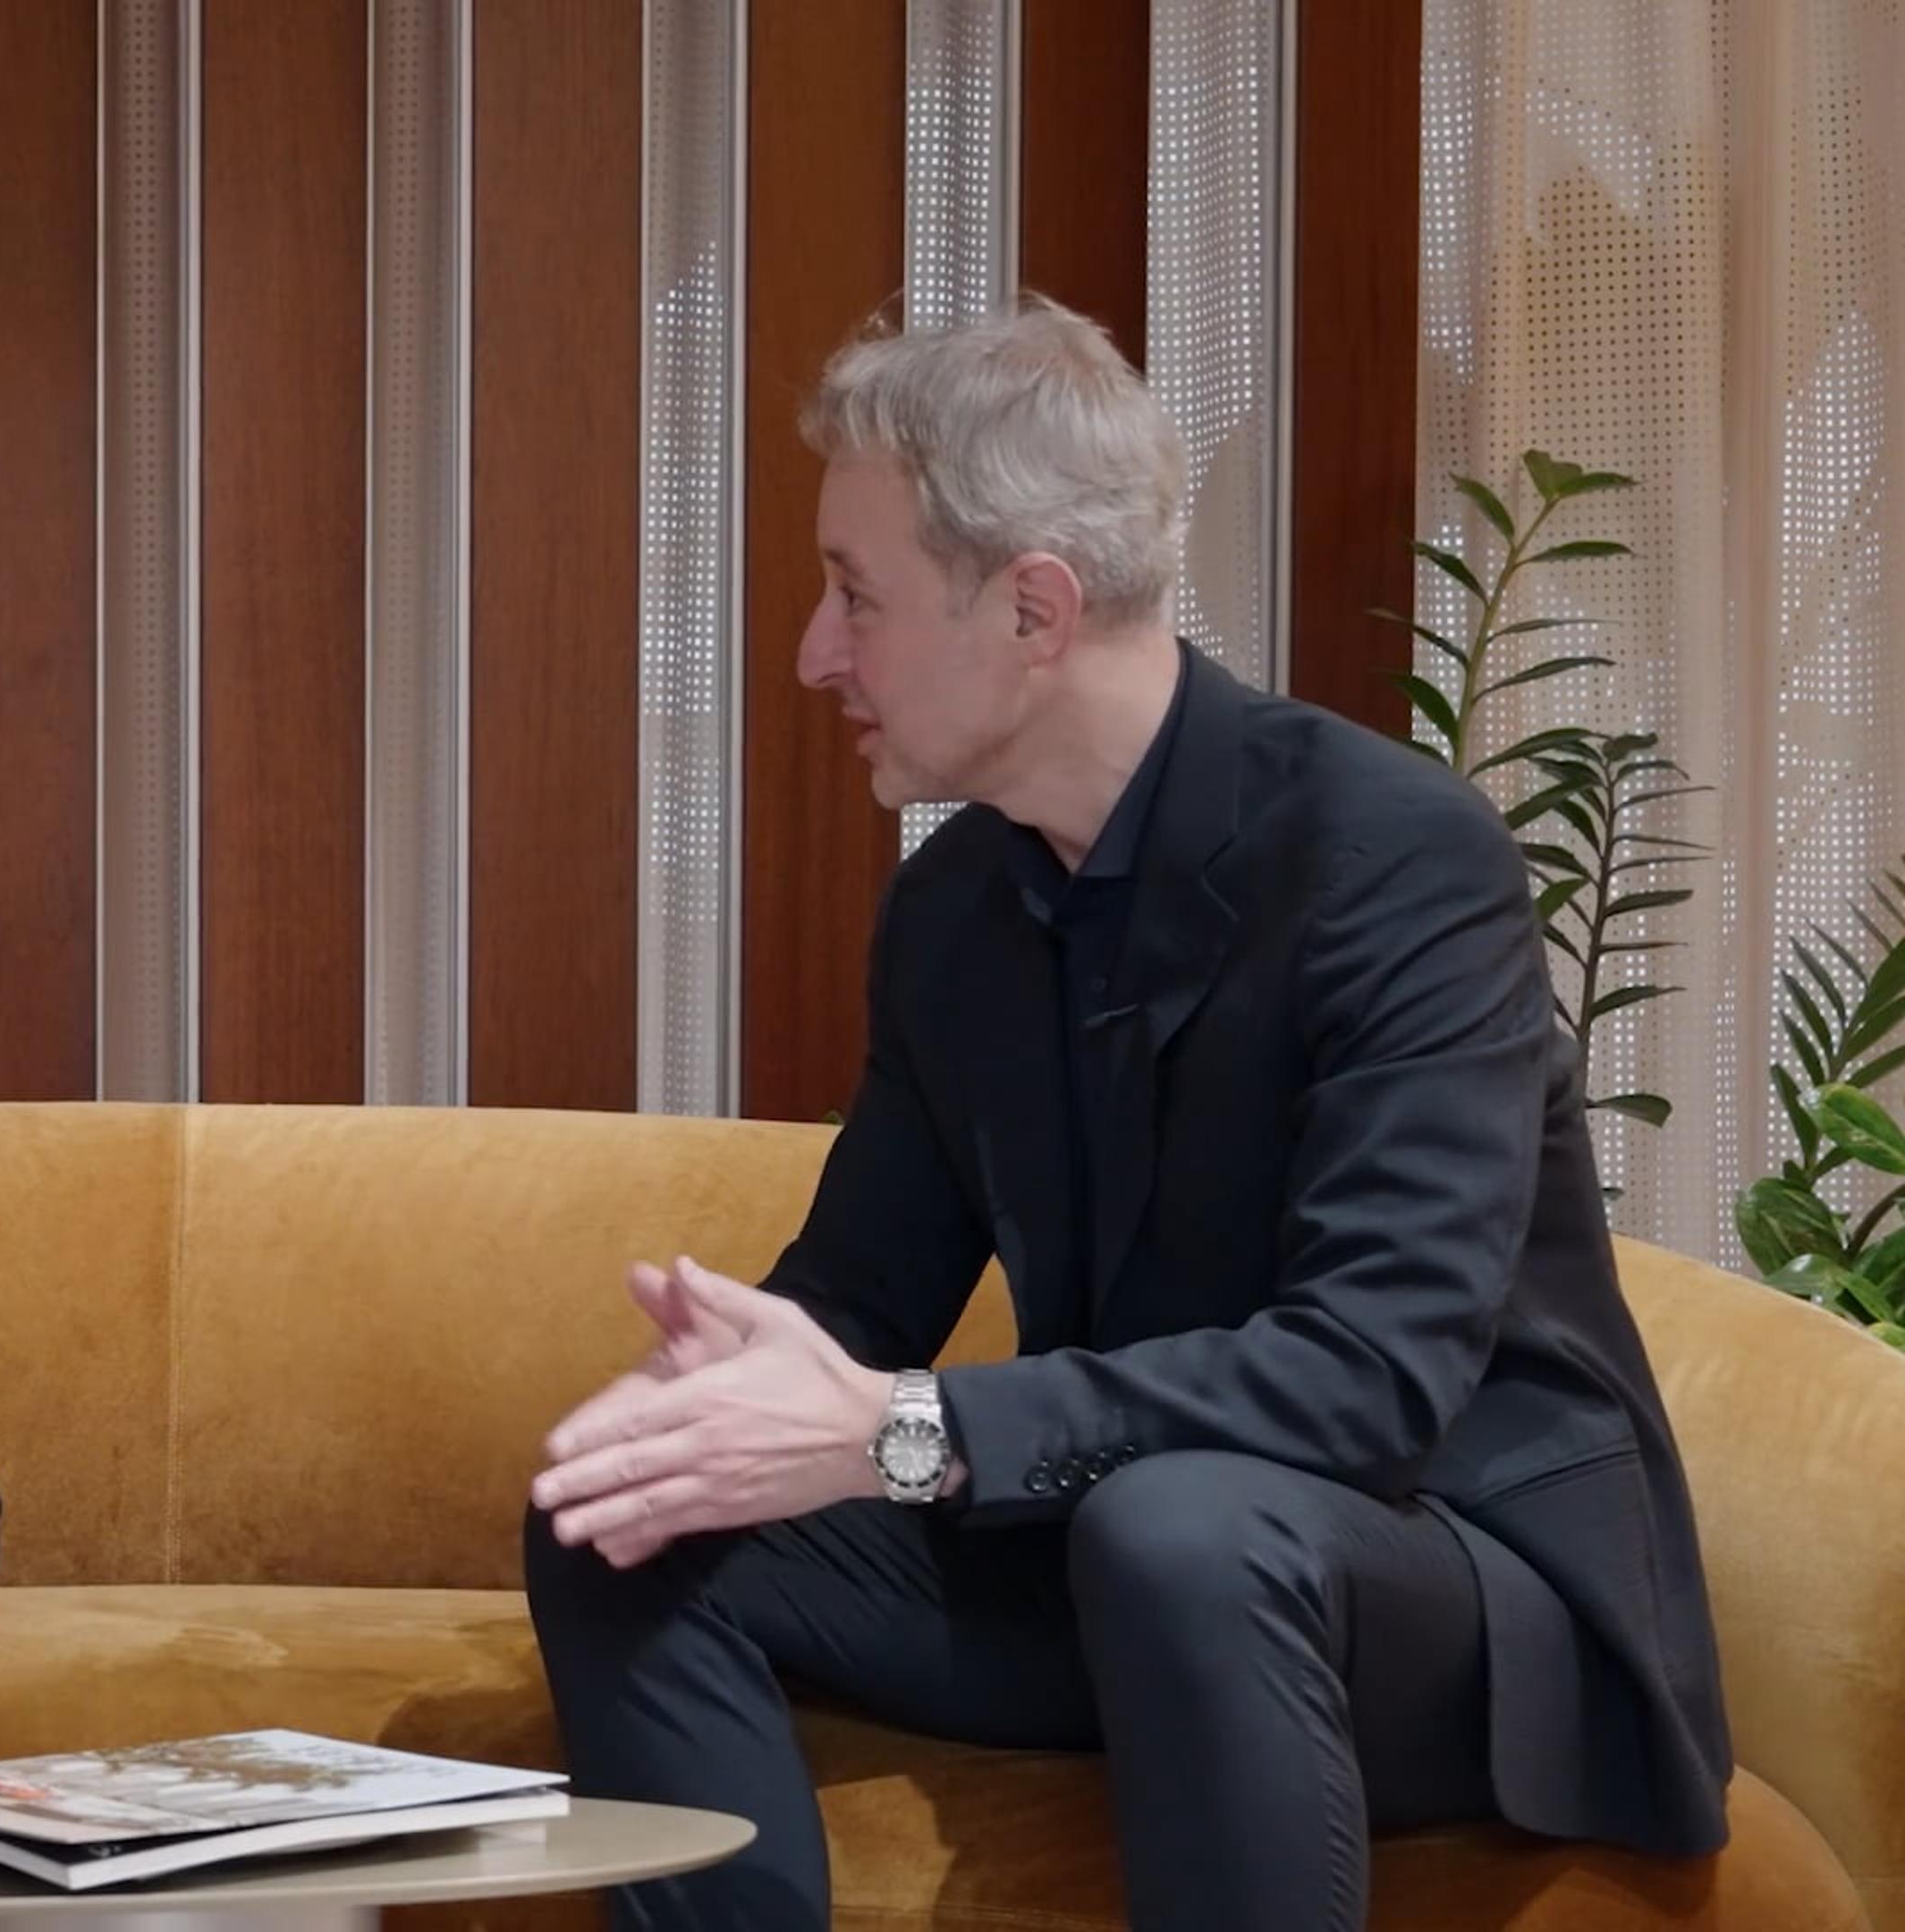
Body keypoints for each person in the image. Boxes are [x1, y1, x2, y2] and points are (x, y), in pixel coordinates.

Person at [520, 300, 1730, 1930]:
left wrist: (900, 1430)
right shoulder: (955, 911)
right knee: (619, 1519)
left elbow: (1374, 1375)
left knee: (1182, 1530)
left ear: (1032, 610)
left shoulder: (1394, 859)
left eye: (853, 597)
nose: (813, 653)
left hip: (1458, 1583)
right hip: (1136, 1550)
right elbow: (864, 1300)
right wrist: (739, 1387)